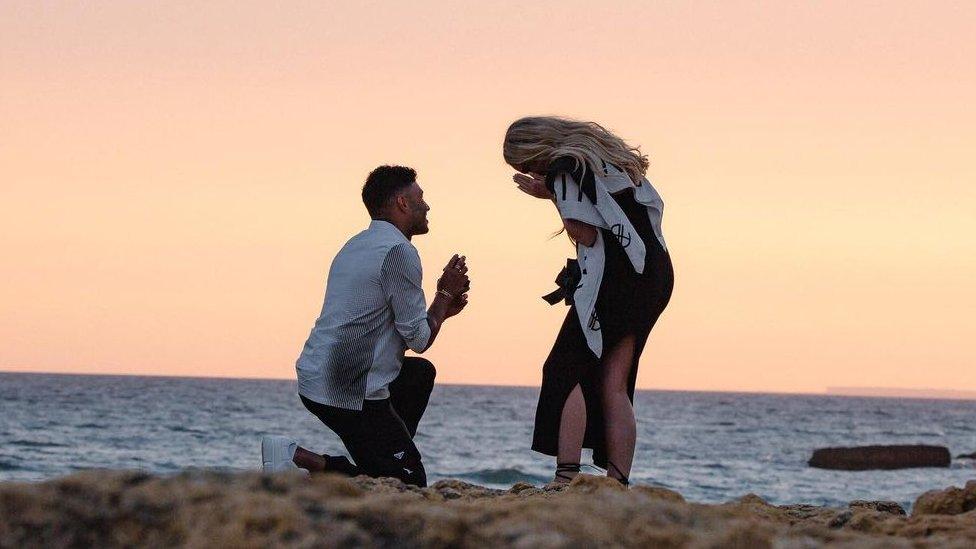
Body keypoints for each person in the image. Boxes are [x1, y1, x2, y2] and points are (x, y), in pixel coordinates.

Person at [262, 165, 470, 487]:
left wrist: (442, 310)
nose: (426, 206)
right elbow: (418, 338)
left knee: (418, 375)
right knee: (408, 485)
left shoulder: (356, 244)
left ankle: (387, 453)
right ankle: (297, 456)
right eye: (420, 197)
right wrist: (444, 293)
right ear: (402, 203)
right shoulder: (400, 251)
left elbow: (391, 325)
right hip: (347, 387)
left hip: (317, 375)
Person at [502, 116, 674, 486]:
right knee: (614, 378)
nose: (532, 172)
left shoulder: (566, 166)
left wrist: (554, 196)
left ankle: (566, 477)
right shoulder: (607, 160)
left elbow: (585, 232)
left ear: (535, 151)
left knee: (565, 369)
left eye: (527, 165)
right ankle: (616, 481)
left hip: (616, 279)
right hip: (653, 274)